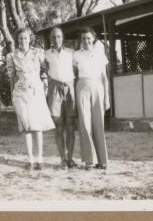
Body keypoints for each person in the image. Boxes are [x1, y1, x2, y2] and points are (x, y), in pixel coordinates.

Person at [6, 28, 55, 171]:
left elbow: (47, 70)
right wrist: (12, 95)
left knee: (37, 126)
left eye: (26, 38)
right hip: (20, 93)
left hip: (36, 92)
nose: (23, 41)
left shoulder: (38, 53)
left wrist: (47, 85)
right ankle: (30, 160)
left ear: (30, 39)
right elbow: (11, 77)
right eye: (20, 38)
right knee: (26, 126)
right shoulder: (12, 56)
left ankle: (39, 159)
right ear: (17, 40)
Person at [73, 27, 110, 170]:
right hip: (82, 87)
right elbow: (74, 75)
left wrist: (107, 97)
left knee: (98, 123)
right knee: (84, 123)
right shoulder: (76, 55)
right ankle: (90, 160)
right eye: (83, 39)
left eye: (88, 38)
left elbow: (104, 78)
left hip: (97, 87)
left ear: (93, 38)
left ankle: (102, 160)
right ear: (80, 40)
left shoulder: (100, 54)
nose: (86, 41)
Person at [45, 27, 77, 170]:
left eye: (58, 36)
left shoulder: (71, 53)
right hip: (54, 90)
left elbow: (77, 71)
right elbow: (42, 71)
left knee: (70, 126)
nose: (56, 39)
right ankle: (62, 159)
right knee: (58, 126)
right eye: (53, 37)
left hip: (69, 88)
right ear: (50, 39)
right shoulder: (45, 54)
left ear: (62, 37)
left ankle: (70, 158)